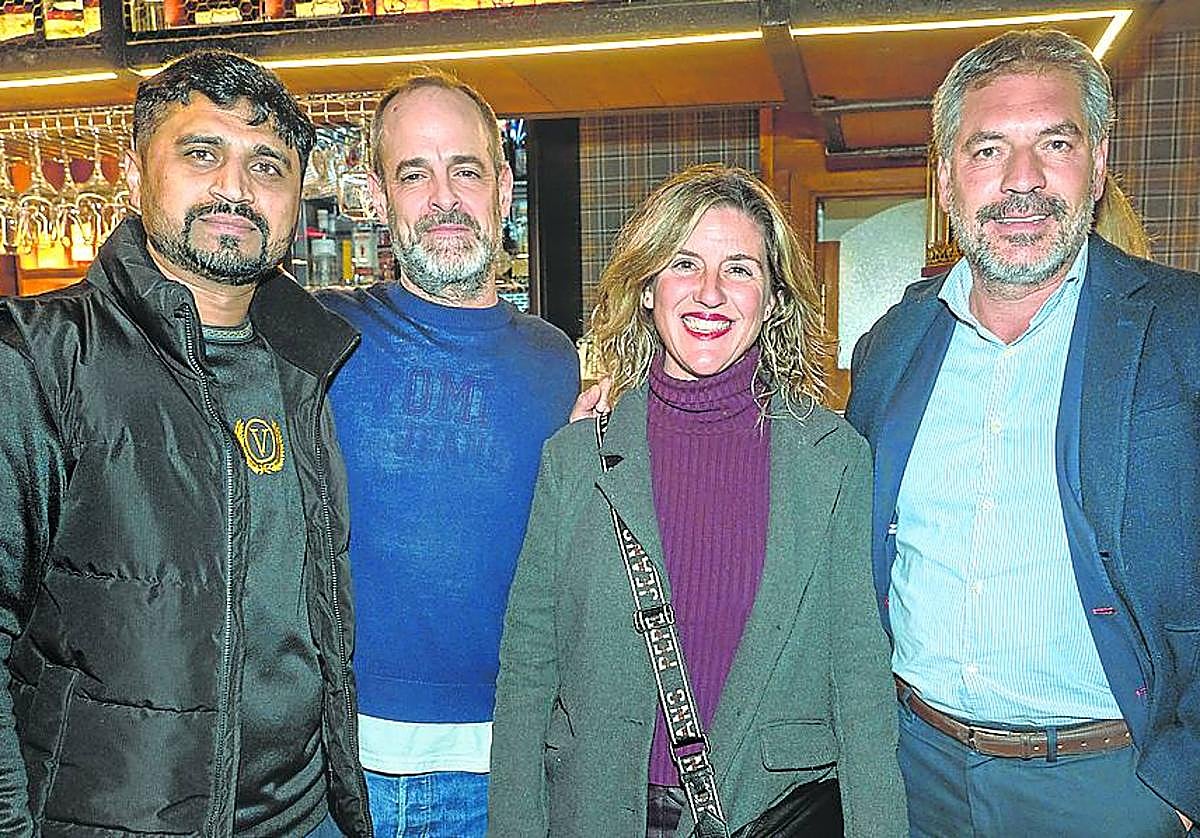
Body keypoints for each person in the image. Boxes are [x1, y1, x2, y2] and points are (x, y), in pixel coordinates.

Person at [0, 50, 370, 837]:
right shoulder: (39, 356)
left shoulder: (306, 362)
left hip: (308, 818)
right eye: (202, 153)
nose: (235, 186)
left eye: (266, 165)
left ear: (296, 197)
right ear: (136, 173)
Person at [845, 29, 1200, 836]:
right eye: (988, 150)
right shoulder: (893, 343)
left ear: (1098, 165)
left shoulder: (1184, 327)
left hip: (1117, 786)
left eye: (1055, 143)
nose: (1023, 179)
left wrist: (1184, 787)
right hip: (916, 774)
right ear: (946, 181)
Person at [488, 163, 907, 838]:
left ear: (773, 299)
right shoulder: (575, 460)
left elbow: (859, 677)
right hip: (597, 811)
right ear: (647, 288)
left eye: (739, 269)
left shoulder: (833, 461)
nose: (710, 293)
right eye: (684, 264)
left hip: (764, 812)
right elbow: (528, 670)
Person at [316, 70, 578, 838]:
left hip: (509, 767)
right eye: (414, 174)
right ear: (377, 197)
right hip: (338, 772)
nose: (444, 199)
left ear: (503, 188)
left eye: (465, 170)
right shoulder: (313, 335)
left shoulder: (555, 362)